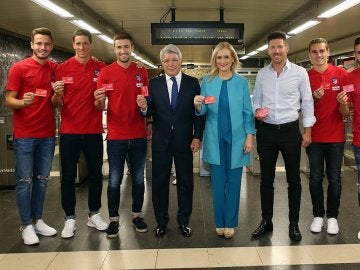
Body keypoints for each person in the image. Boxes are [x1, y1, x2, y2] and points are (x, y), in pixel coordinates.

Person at [251, 31, 316, 242]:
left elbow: (307, 102)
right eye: (272, 47)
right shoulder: (262, 74)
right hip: (267, 131)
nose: (276, 51)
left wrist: (307, 131)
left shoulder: (299, 73)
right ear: (268, 50)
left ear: (286, 48)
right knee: (266, 180)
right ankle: (266, 220)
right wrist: (257, 110)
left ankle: (294, 223)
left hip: (290, 131)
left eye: (280, 47)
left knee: (293, 180)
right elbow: (256, 101)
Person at [136, 44, 204, 237]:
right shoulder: (154, 84)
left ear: (180, 61)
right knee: (159, 183)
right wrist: (142, 107)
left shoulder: (193, 83)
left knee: (185, 182)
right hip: (161, 142)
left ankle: (184, 221)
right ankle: (161, 222)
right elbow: (149, 109)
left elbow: (198, 114)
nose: (171, 64)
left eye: (174, 60)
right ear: (162, 63)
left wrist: (197, 136)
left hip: (184, 141)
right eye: (166, 60)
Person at [193, 42, 255, 238]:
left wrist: (250, 136)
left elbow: (247, 112)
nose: (223, 61)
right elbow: (203, 111)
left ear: (233, 59)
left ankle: (231, 222)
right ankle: (219, 222)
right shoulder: (207, 81)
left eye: (226, 57)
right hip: (214, 139)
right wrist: (197, 105)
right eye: (219, 57)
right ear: (215, 60)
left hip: (237, 140)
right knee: (218, 183)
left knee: (235, 182)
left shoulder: (241, 83)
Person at [51, 29, 108, 238]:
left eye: (85, 43)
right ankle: (70, 218)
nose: (82, 47)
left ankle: (94, 214)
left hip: (93, 131)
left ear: (91, 44)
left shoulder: (100, 68)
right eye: (78, 44)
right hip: (69, 132)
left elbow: (104, 98)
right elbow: (56, 104)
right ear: (73, 45)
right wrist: (57, 94)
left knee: (95, 175)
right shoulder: (62, 69)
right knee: (67, 177)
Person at [5, 27, 58, 245]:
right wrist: (21, 102)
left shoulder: (55, 68)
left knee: (42, 181)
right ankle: (25, 225)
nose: (43, 47)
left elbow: (75, 67)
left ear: (51, 46)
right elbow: (9, 99)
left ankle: (37, 220)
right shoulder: (19, 68)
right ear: (32, 45)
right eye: (39, 43)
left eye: (46, 44)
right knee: (24, 181)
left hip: (47, 135)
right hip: (25, 136)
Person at [94, 32, 149, 238]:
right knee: (115, 181)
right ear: (114, 49)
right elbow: (99, 105)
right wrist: (99, 100)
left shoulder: (141, 72)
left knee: (138, 179)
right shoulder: (106, 73)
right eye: (119, 47)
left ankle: (136, 215)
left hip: (138, 135)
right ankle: (114, 219)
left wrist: (145, 108)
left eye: (126, 47)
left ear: (132, 47)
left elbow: (146, 100)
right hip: (116, 136)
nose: (122, 51)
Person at [306, 38, 351, 235]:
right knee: (315, 178)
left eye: (322, 51)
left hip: (335, 138)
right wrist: (312, 98)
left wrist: (343, 103)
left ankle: (332, 217)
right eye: (314, 52)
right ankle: (318, 215)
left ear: (328, 52)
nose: (319, 55)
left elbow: (346, 113)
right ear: (309, 55)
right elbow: (300, 107)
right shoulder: (305, 76)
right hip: (314, 138)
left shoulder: (341, 74)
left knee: (334, 178)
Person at [348, 36, 360, 240]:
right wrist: (343, 103)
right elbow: (345, 109)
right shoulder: (351, 78)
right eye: (359, 52)